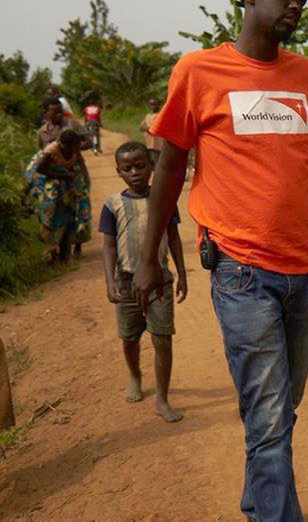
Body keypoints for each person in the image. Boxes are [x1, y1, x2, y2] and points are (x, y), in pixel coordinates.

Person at [133, 0, 308, 522]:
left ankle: (258, 501)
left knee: (279, 408)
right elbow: (171, 168)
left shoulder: (303, 74)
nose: (298, 4)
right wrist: (150, 254)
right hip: (241, 269)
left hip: (305, 272)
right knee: (271, 416)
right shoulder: (199, 72)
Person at [100, 141, 187, 421]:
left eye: (141, 166)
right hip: (126, 282)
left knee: (162, 338)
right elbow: (109, 246)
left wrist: (182, 274)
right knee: (129, 337)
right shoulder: (112, 204)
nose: (135, 173)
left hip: (159, 281)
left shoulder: (165, 199)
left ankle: (162, 398)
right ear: (119, 172)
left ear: (151, 168)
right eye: (128, 169)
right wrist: (110, 281)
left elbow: (173, 239)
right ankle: (135, 375)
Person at [23, 129, 92, 263]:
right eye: (76, 145)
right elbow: (40, 169)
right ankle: (51, 250)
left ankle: (71, 247)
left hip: (65, 179)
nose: (78, 148)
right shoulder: (51, 150)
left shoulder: (74, 150)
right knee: (50, 211)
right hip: (48, 178)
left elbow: (74, 169)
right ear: (67, 145)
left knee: (77, 206)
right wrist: (63, 176)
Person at [36, 96, 92, 257]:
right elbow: (40, 155)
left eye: (61, 112)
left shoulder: (73, 125)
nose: (60, 115)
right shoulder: (42, 132)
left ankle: (77, 244)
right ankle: (58, 246)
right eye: (55, 113)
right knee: (58, 209)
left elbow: (88, 141)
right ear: (46, 113)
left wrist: (73, 147)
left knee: (78, 205)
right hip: (54, 178)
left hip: (76, 173)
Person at [140, 98, 162, 164]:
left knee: (158, 159)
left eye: (155, 104)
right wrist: (148, 128)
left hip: (159, 143)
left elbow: (158, 127)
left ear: (158, 105)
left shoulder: (160, 115)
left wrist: (149, 128)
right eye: (151, 104)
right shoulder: (148, 116)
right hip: (149, 142)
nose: (153, 106)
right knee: (152, 158)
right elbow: (141, 127)